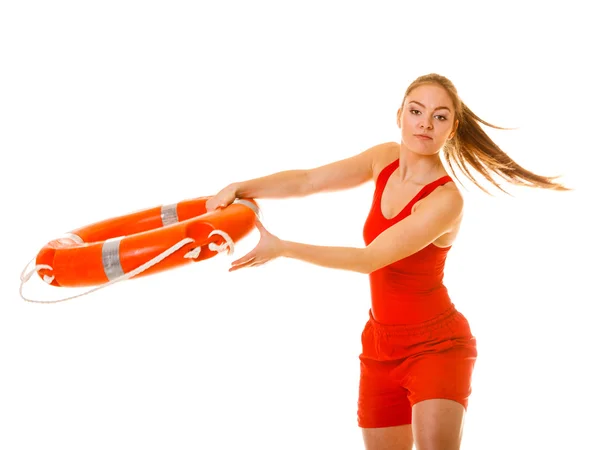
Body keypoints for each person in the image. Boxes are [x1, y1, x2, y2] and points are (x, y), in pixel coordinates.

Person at [205, 73, 569, 450]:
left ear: (452, 128)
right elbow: (309, 181)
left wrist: (283, 247)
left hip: (436, 346)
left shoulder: (445, 200)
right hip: (380, 345)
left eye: (440, 117)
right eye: (416, 111)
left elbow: (370, 259)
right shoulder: (383, 159)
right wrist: (241, 187)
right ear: (400, 115)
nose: (425, 123)